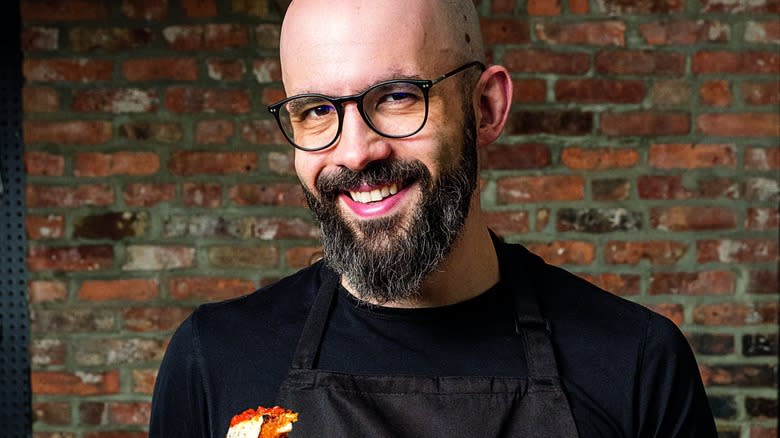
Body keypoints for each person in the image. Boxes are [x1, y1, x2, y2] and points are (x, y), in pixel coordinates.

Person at [150, 1, 717, 436]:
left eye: (397, 96)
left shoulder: (636, 363)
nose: (354, 152)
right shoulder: (214, 359)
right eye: (317, 110)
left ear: (486, 108)